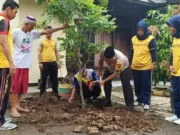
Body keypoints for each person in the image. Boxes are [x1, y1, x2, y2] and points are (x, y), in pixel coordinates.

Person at [10, 15, 68, 118]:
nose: (33, 28)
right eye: (31, 26)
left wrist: (61, 27)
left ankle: (18, 106)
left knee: (21, 88)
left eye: (34, 26)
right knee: (15, 87)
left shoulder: (32, 34)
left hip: (25, 65)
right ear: (26, 24)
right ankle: (13, 109)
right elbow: (8, 44)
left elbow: (46, 32)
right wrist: (10, 62)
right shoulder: (15, 32)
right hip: (17, 65)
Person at [0, 0, 19, 130]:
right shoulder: (4, 21)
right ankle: (0, 122)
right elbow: (3, 41)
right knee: (2, 92)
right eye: (15, 12)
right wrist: (11, 63)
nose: (15, 15)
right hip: (2, 64)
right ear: (8, 9)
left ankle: (1, 117)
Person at [130, 20, 156, 110]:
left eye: (142, 30)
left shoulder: (150, 39)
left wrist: (153, 63)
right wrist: (130, 63)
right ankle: (139, 99)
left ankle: (146, 102)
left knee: (146, 85)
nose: (140, 32)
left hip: (146, 66)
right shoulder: (133, 39)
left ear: (145, 30)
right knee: (137, 84)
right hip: (135, 65)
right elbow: (131, 52)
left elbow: (153, 52)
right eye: (138, 30)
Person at [165, 15, 180, 124]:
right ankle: (177, 114)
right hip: (175, 72)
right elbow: (172, 54)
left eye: (172, 26)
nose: (171, 28)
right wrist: (170, 64)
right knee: (176, 93)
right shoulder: (175, 38)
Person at [38, 26, 61, 96]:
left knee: (54, 79)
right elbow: (39, 52)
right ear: (45, 32)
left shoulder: (54, 41)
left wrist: (58, 61)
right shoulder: (41, 41)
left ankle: (55, 94)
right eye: (47, 32)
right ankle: (42, 94)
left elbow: (57, 52)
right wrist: (40, 62)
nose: (49, 33)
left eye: (50, 32)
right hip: (44, 63)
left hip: (53, 62)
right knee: (43, 79)